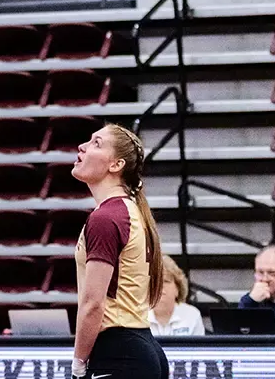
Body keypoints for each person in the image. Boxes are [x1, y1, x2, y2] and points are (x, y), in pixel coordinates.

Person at [70, 125, 169, 379]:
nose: (83, 146)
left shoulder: (105, 218)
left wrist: (78, 364)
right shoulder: (131, 211)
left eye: (96, 143)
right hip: (142, 347)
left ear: (116, 165)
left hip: (119, 354)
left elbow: (93, 304)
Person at [150, 255, 203, 337]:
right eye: (156, 282)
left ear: (178, 288)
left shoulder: (192, 315)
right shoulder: (136, 317)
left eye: (166, 281)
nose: (160, 287)